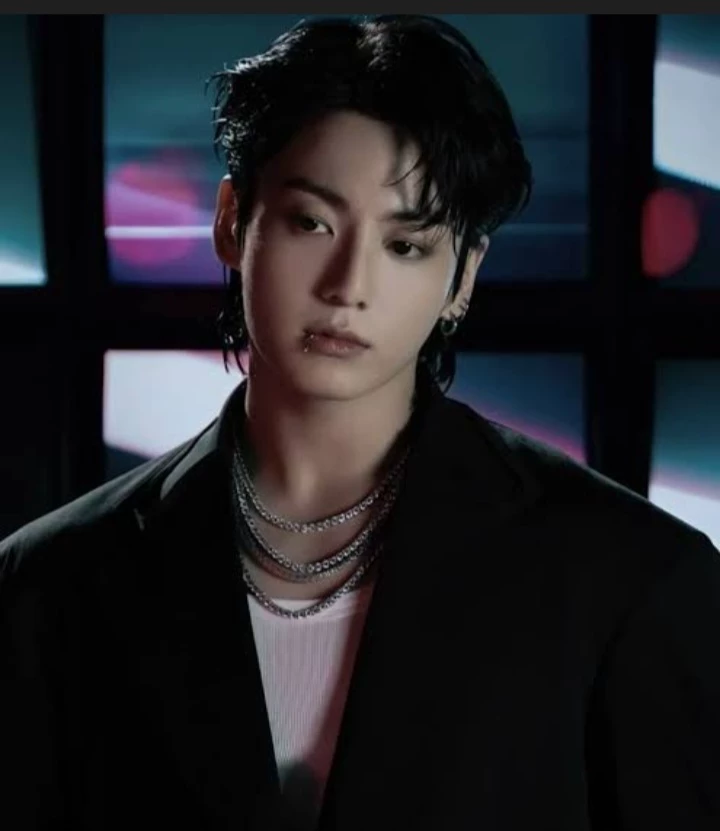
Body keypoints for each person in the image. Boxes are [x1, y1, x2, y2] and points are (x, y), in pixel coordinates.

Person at [1, 14, 718, 831]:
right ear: (233, 220)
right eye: (311, 222)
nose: (349, 285)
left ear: (463, 277)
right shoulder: (48, 587)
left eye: (406, 245)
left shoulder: (626, 579)